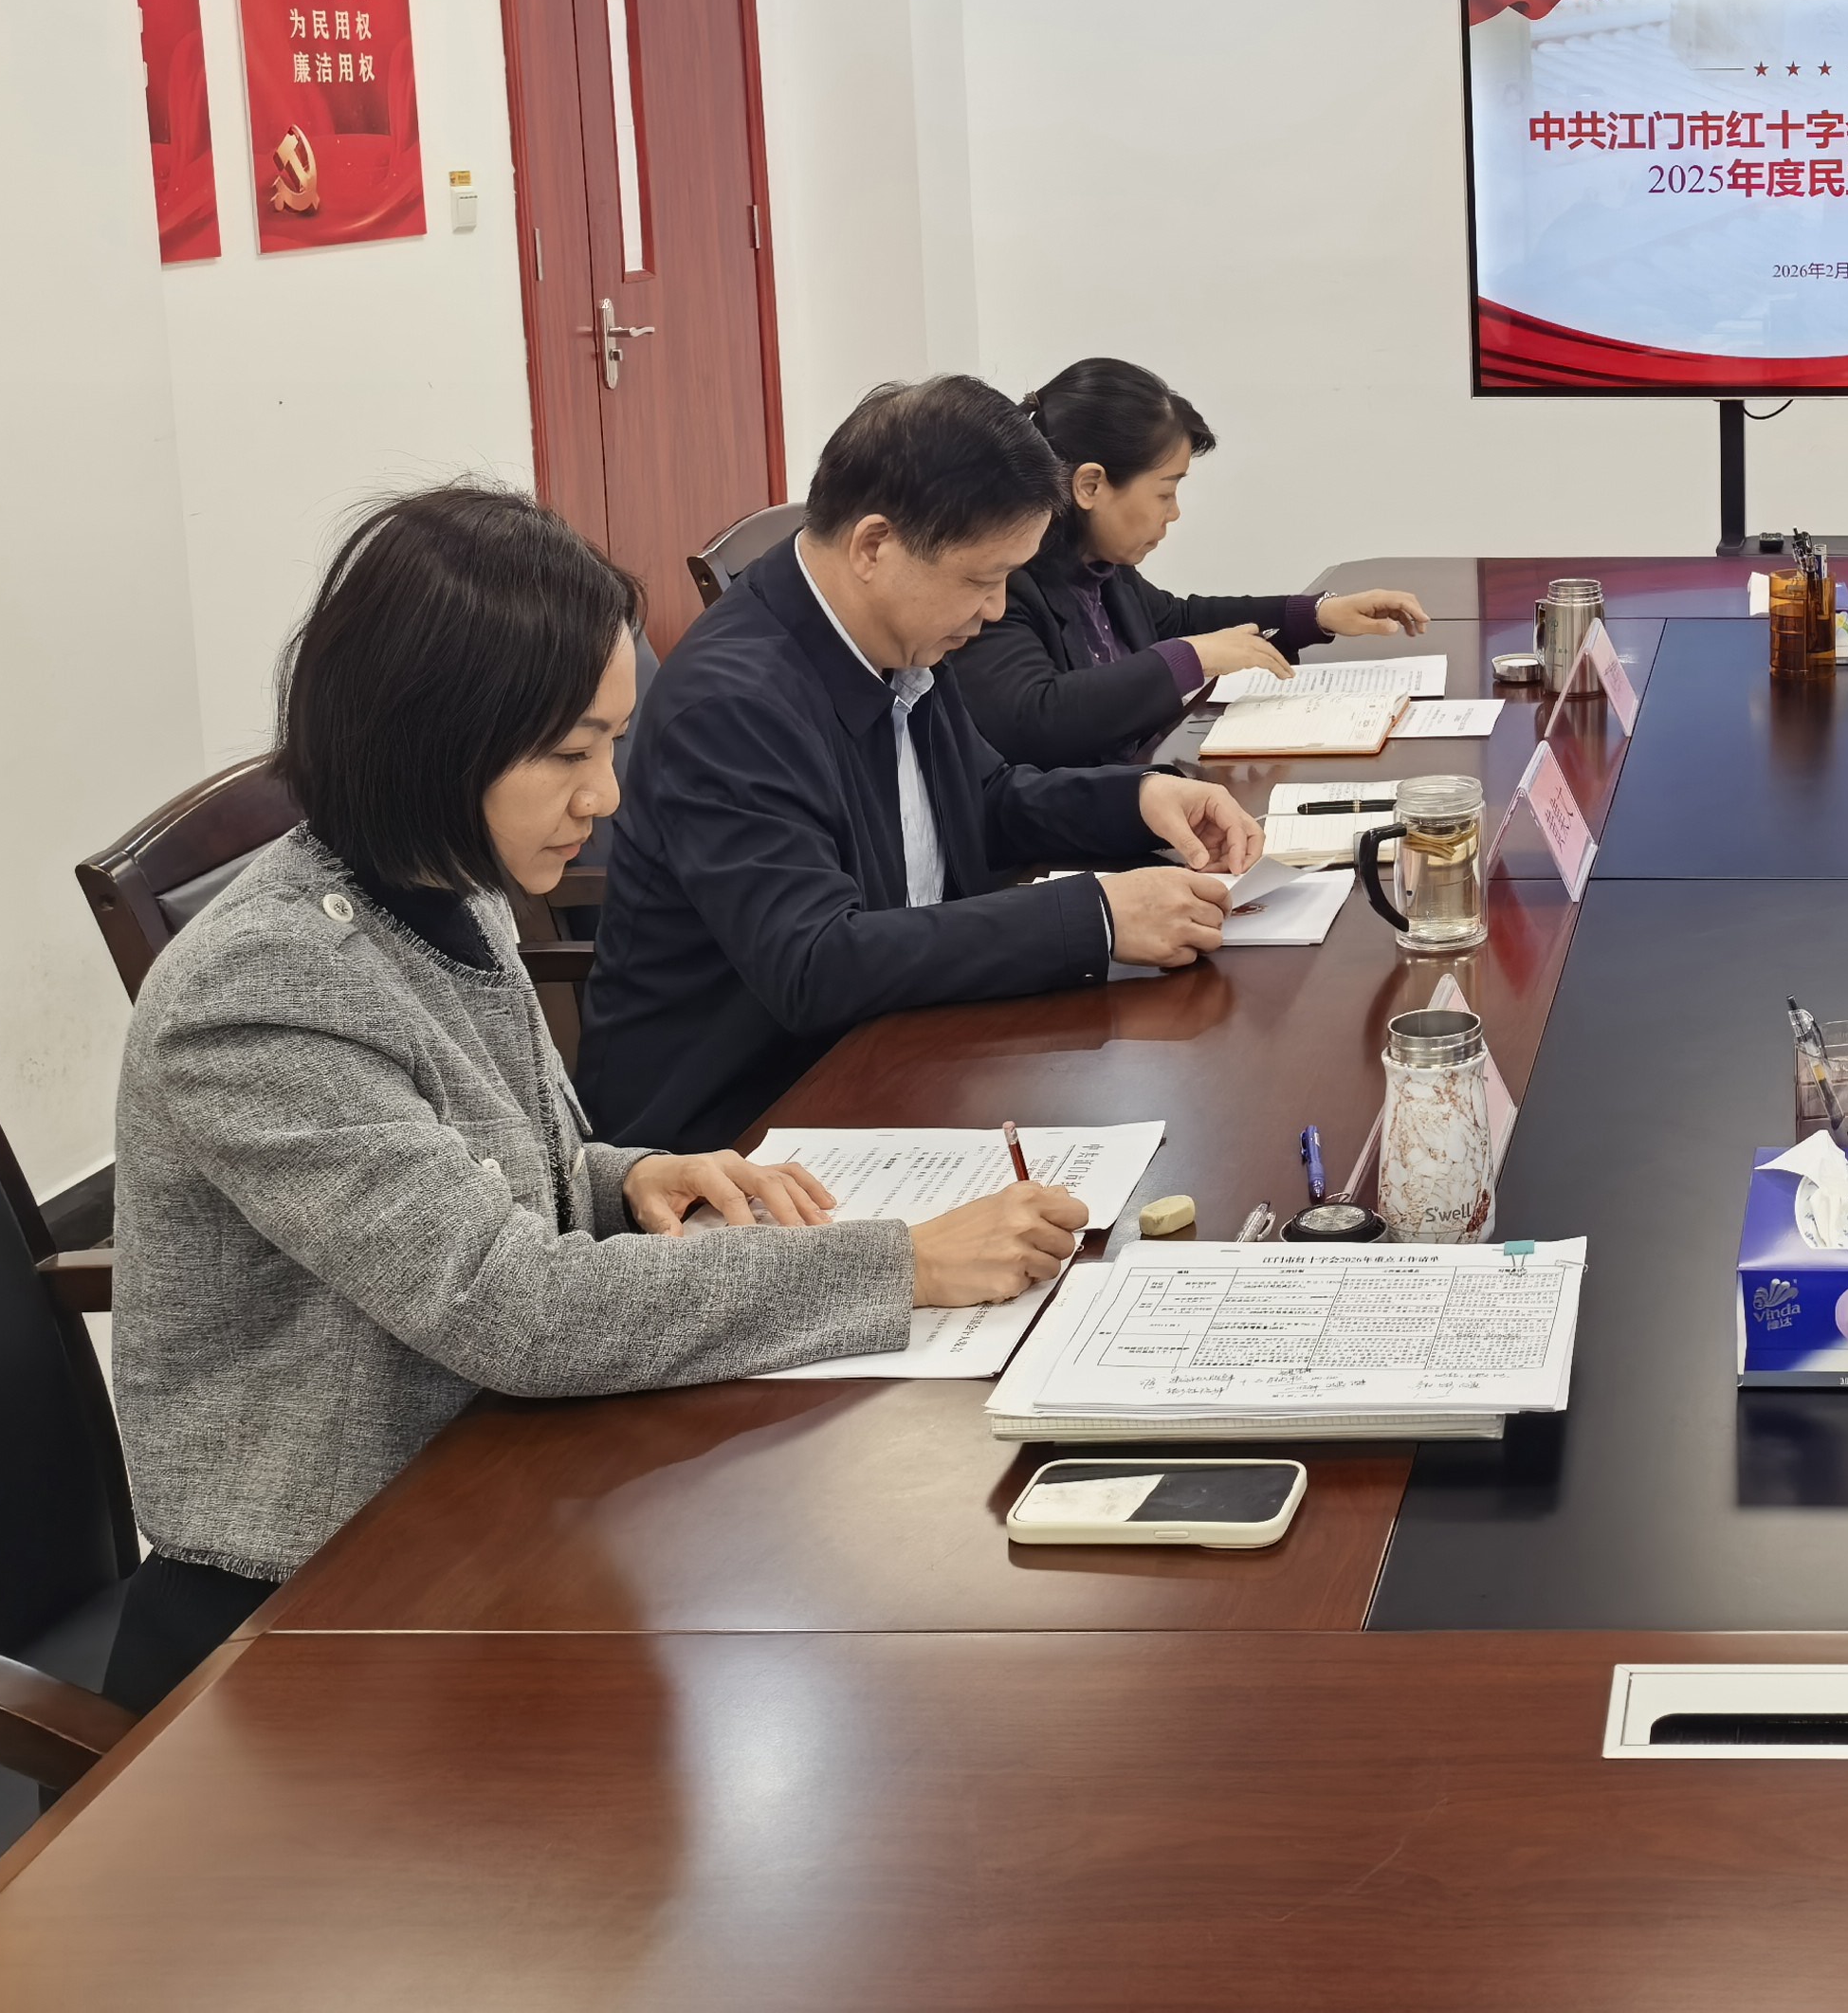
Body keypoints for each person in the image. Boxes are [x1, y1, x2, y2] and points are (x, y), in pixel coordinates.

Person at [104, 487, 1089, 1714]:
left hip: (485, 1490)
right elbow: (510, 1307)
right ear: (430, 737)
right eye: (570, 754)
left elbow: (482, 1163)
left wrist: (625, 1178)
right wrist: (903, 1265)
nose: (607, 797)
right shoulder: (263, 988)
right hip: (309, 1613)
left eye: (612, 745)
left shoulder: (446, 882)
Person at [579, 376, 1263, 1155]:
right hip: (740, 1127)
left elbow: (982, 800)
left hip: (903, 1048)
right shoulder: (732, 703)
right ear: (874, 546)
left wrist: (1139, 798)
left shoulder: (898, 636)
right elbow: (815, 962)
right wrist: (1096, 916)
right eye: (981, 580)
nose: (996, 609)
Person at [950, 357, 1432, 768]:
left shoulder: (1101, 568)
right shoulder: (1003, 585)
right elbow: (1035, 716)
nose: (1174, 512)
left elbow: (1176, 620)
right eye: (1165, 492)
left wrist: (1315, 613)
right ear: (1090, 486)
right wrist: (1192, 658)